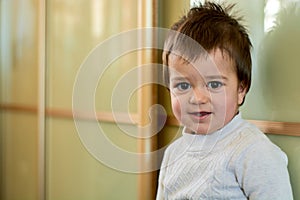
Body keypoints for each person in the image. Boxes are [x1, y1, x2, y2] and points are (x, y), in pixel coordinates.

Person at [156, 1, 293, 199]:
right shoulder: (173, 154)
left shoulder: (254, 152)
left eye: (214, 85)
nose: (198, 98)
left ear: (241, 89)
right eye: (183, 86)